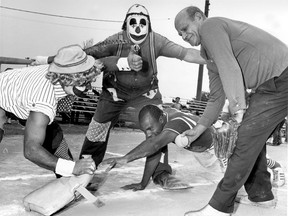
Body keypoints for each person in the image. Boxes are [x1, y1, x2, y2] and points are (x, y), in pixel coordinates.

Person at [33, 4, 206, 167]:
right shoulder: (115, 40)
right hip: (113, 93)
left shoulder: (157, 41)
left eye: (142, 22)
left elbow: (186, 53)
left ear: (149, 24)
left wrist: (213, 58)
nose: (138, 27)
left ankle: (160, 173)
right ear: (126, 24)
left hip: (146, 94)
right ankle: (87, 169)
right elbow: (84, 54)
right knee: (97, 129)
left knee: (157, 130)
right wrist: (46, 60)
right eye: (133, 22)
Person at [173, 6, 288, 216]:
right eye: (179, 34)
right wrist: (198, 129)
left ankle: (219, 208)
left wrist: (238, 110)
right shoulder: (209, 54)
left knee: (242, 139)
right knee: (251, 138)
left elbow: (229, 67)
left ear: (199, 17)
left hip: (281, 78)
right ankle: (261, 196)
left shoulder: (211, 26)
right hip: (272, 84)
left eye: (184, 28)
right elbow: (217, 96)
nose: (182, 36)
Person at [0, 44, 103, 178]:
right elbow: (31, 150)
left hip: (19, 95)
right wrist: (72, 168)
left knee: (54, 137)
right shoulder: (44, 102)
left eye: (88, 81)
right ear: (67, 78)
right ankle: (68, 170)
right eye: (83, 83)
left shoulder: (59, 68)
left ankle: (66, 176)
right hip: (4, 96)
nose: (88, 89)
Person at [102, 104, 222, 191]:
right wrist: (142, 184)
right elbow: (154, 151)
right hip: (202, 150)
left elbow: (154, 145)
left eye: (150, 129)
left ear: (160, 119)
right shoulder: (161, 119)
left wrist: (125, 158)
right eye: (145, 131)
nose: (148, 134)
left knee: (234, 184)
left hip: (220, 145)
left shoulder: (175, 122)